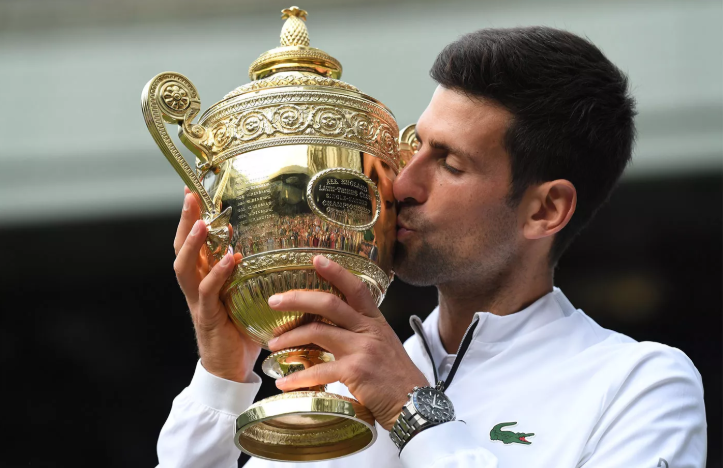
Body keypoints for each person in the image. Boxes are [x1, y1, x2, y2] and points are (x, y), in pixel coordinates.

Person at [157, 27, 707, 467]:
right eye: (414, 146)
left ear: (545, 210)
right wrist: (221, 379)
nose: (401, 184)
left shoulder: (640, 384)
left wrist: (413, 412)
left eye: (450, 164)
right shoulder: (335, 392)